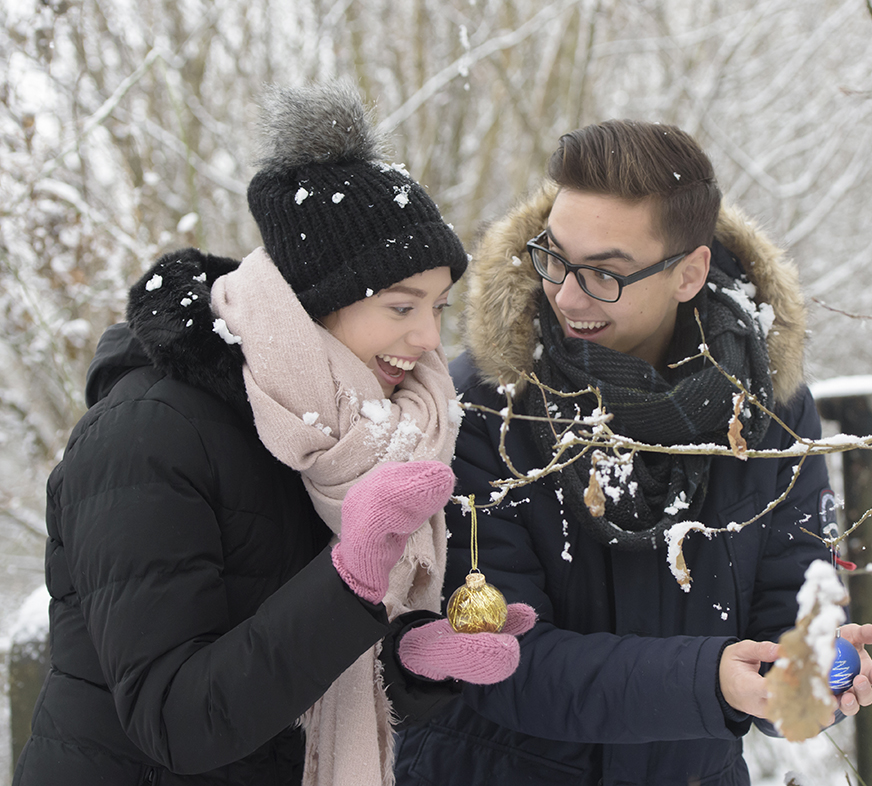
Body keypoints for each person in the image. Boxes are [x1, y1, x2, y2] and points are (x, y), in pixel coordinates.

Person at [13, 81, 533, 786]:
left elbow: (304, 667)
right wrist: (350, 581)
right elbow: (178, 721)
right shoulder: (147, 438)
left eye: (438, 306)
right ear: (318, 302)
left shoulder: (349, 434)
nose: (430, 338)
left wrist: (408, 662)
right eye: (402, 306)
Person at [393, 119, 872, 785]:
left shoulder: (771, 408)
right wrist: (707, 680)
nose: (566, 295)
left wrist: (814, 671)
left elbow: (792, 602)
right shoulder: (480, 409)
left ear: (689, 273)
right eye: (556, 257)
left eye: (604, 273)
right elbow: (498, 661)